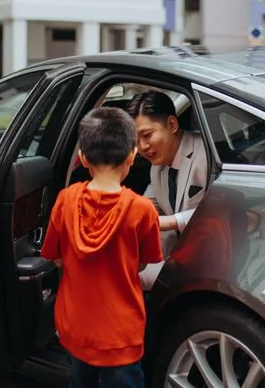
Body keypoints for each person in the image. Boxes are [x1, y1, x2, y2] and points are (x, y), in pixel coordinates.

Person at [40, 107, 163, 388]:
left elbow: (54, 257)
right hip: (121, 330)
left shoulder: (65, 199)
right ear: (132, 155)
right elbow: (143, 264)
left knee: (79, 380)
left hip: (76, 323)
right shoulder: (143, 209)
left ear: (82, 157)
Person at [126, 90, 208, 289]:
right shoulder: (158, 167)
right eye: (136, 141)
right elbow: (149, 205)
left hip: (208, 258)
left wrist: (171, 221)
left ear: (172, 124)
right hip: (175, 254)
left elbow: (223, 210)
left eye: (147, 135)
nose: (143, 147)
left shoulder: (205, 155)